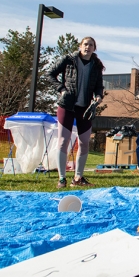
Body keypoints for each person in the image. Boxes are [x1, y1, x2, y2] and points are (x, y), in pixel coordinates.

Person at [47, 36, 104, 189]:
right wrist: (62, 89)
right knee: (63, 142)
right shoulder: (69, 59)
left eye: (91, 45)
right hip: (67, 105)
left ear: (94, 48)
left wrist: (98, 96)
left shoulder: (96, 65)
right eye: (85, 44)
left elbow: (99, 86)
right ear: (80, 46)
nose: (88, 47)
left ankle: (78, 178)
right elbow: (50, 74)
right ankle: (62, 178)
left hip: (85, 108)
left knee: (84, 143)